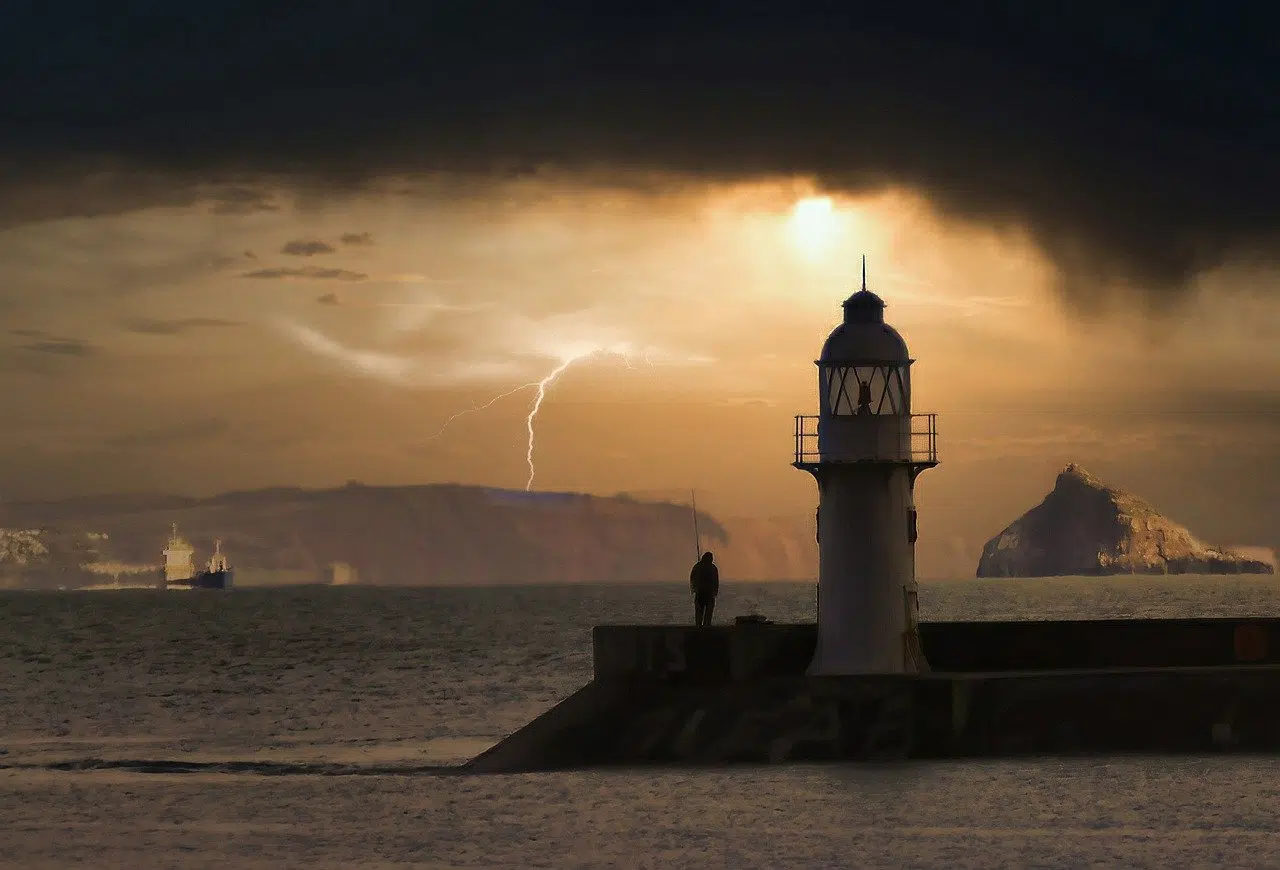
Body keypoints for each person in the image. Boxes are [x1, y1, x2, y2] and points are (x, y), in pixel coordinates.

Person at [690, 551, 719, 627]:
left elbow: (692, 578)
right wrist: (715, 592)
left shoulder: (697, 566)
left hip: (701, 594)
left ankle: (700, 628)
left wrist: (694, 589)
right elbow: (716, 581)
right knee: (706, 616)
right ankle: (705, 628)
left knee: (700, 615)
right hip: (707, 595)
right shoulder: (713, 568)